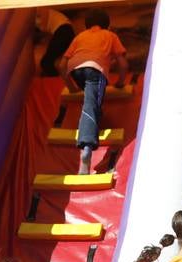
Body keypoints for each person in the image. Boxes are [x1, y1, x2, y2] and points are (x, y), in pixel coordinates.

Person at [58, 9, 128, 174]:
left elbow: (62, 65)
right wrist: (120, 82)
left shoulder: (80, 36)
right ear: (107, 25)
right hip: (95, 71)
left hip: (75, 70)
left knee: (93, 102)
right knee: (90, 106)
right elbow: (123, 63)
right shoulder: (110, 35)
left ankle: (97, 119)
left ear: (87, 25)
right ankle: (86, 148)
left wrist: (71, 86)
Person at [35, 8, 76, 77]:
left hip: (63, 31)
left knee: (46, 62)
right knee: (66, 62)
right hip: (67, 30)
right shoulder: (46, 12)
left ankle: (56, 80)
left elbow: (43, 27)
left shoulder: (40, 10)